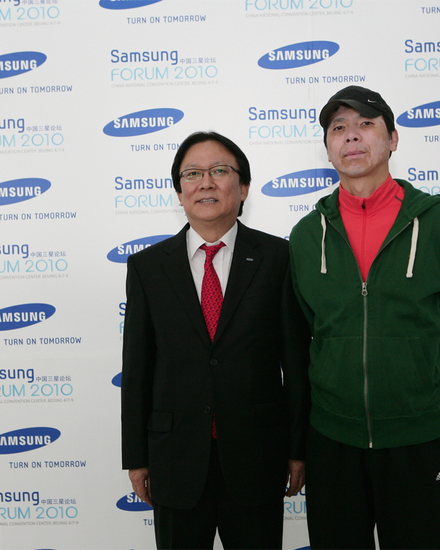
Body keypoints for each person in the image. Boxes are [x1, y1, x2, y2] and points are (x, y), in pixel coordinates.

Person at [289, 86, 440, 549]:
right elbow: (306, 333)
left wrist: (421, 391)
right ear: (328, 148)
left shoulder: (439, 226)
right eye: (339, 128)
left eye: (366, 124)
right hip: (333, 441)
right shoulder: (307, 236)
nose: (351, 136)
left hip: (419, 438)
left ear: (392, 139)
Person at [121, 131, 311, 549]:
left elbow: (296, 362)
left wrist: (298, 449)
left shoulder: (278, 259)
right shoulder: (148, 268)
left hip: (257, 458)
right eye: (192, 174)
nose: (205, 182)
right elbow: (137, 368)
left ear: (243, 188)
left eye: (219, 171)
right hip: (174, 459)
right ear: (179, 192)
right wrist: (135, 457)